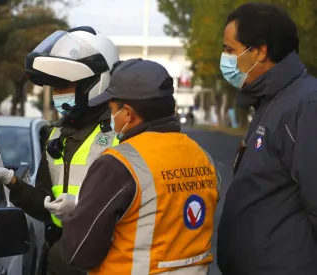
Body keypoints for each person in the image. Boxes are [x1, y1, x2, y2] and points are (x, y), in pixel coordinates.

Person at [0, 26, 120, 275]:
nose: (57, 94)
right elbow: (45, 206)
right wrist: (10, 181)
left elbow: (137, 207)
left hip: (104, 261)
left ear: (94, 83)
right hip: (59, 259)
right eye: (54, 87)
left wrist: (80, 208)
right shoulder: (57, 135)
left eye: (65, 85)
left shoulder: (120, 135)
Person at [59, 58, 221, 275]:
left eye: (111, 109)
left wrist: (78, 215)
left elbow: (80, 252)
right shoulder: (202, 157)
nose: (111, 118)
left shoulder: (117, 164)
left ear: (127, 113)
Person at [217, 3, 317, 274]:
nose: (224, 58)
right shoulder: (269, 100)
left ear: (259, 51)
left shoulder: (306, 105)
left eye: (229, 49)